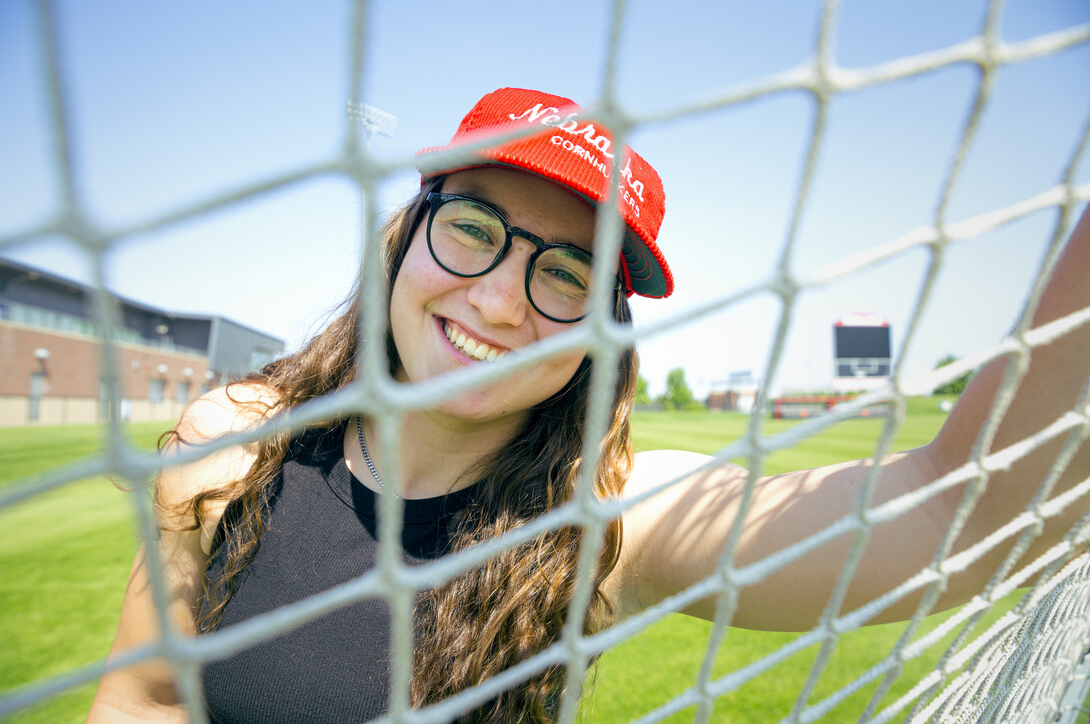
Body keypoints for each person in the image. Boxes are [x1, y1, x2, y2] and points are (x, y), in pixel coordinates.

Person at [87, 87, 1090, 723]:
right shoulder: (231, 445)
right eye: (475, 227)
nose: (496, 299)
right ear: (406, 237)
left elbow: (960, 507)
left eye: (566, 273)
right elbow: (141, 700)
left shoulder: (604, 519)